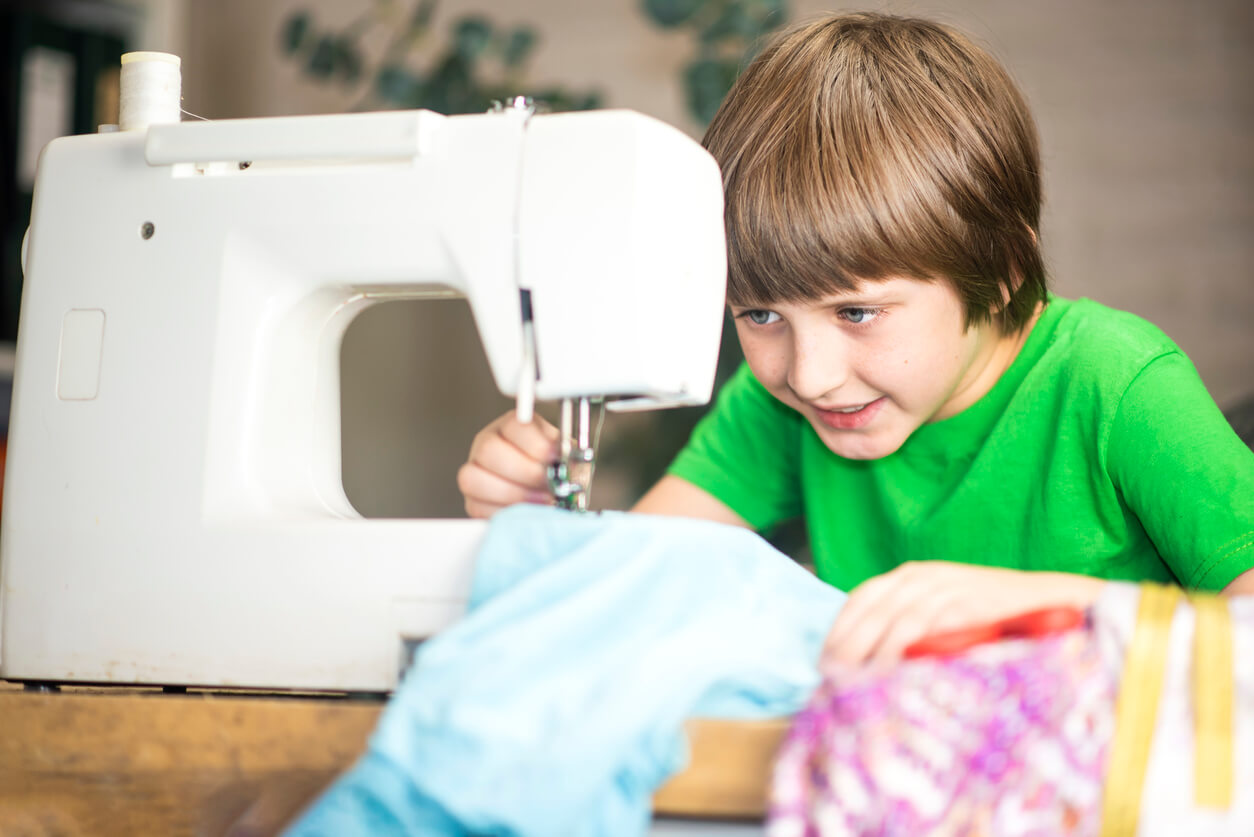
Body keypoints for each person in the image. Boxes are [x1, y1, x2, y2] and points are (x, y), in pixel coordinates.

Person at [457, 11, 1254, 668]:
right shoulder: (780, 410)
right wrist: (543, 524)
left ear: (1003, 270)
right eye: (760, 314)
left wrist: (1056, 606)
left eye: (856, 313)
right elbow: (635, 583)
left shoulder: (1117, 384)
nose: (811, 375)